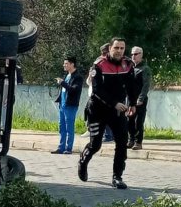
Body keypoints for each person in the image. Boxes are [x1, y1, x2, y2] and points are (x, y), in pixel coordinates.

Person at [78, 37, 139, 190]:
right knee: (95, 144)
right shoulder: (99, 65)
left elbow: (132, 86)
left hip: (118, 112)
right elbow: (97, 90)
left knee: (122, 143)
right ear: (110, 48)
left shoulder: (128, 65)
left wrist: (132, 103)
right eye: (116, 48)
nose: (119, 51)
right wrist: (115, 103)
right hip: (97, 110)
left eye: (122, 48)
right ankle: (83, 162)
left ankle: (117, 177)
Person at [51, 56, 83, 155]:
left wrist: (62, 83)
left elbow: (74, 90)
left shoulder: (78, 77)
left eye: (66, 63)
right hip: (63, 105)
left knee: (69, 127)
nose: (64, 65)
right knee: (62, 127)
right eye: (64, 63)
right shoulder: (67, 75)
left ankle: (68, 148)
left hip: (70, 106)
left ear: (72, 64)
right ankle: (61, 147)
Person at [128, 46, 152, 150]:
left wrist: (141, 99)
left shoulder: (145, 69)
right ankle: (131, 140)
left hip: (139, 100)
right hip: (130, 99)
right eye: (132, 54)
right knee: (129, 120)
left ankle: (138, 142)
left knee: (138, 121)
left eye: (136, 54)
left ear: (141, 55)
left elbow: (146, 85)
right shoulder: (130, 68)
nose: (133, 56)